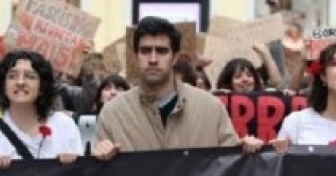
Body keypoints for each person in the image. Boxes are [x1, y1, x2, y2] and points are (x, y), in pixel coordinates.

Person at [94, 16, 263, 157]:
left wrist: (247, 150)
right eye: (145, 51)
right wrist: (100, 158)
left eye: (161, 51)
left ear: (175, 57)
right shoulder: (112, 114)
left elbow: (231, 167)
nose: (153, 59)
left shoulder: (211, 108)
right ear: (136, 56)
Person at [0, 50, 83, 168]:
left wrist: (71, 164)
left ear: (42, 87)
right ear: (3, 86)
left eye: (30, 76)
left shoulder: (64, 125)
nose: (20, 82)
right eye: (12, 76)